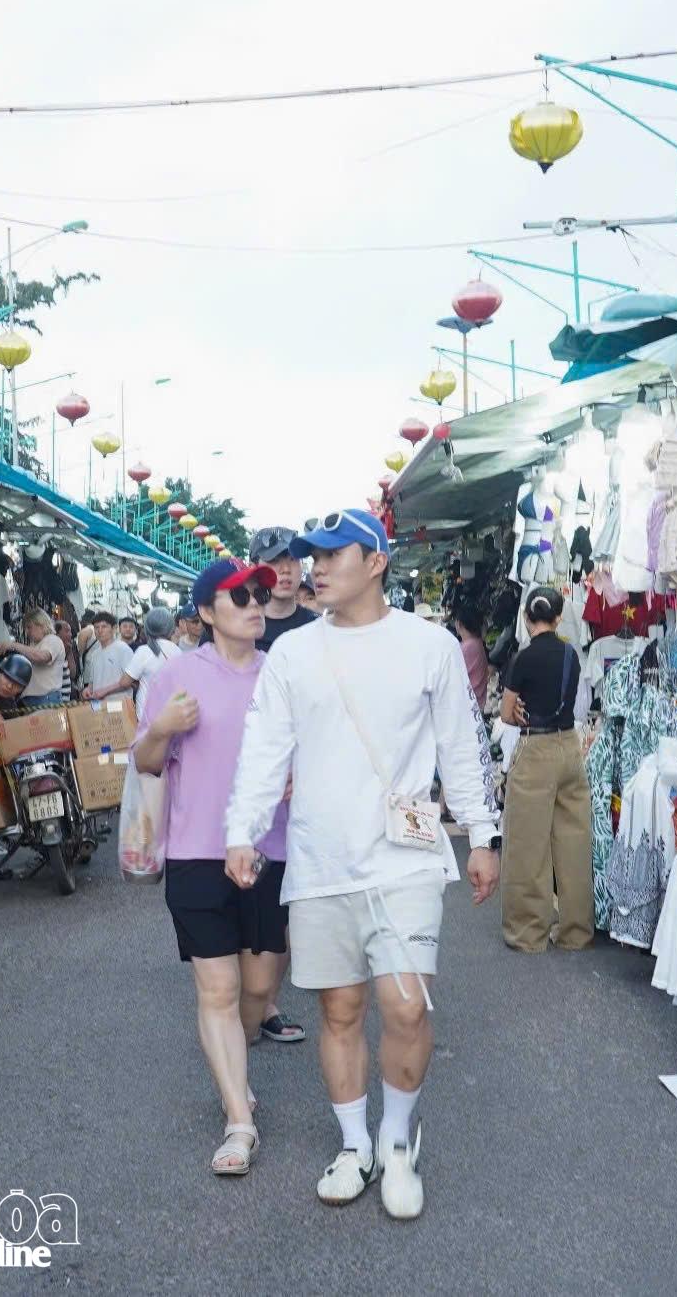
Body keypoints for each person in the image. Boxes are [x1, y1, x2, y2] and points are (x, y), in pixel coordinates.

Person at [225, 509, 500, 1219]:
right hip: (321, 857)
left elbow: (459, 744)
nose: (313, 567)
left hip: (403, 858)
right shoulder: (293, 654)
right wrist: (243, 831)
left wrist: (481, 834)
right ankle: (355, 1144)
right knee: (339, 1008)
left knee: (405, 1004)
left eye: (331, 554)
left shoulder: (428, 645)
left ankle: (398, 1138)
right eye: (309, 556)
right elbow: (265, 748)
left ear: (375, 561)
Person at [135, 558, 287, 1177]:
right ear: (204, 612)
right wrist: (163, 728)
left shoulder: (282, 673)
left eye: (260, 594)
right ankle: (238, 1118)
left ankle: (238, 1066)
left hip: (271, 850)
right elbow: (145, 762)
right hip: (197, 852)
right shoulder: (176, 674)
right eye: (240, 596)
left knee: (257, 990)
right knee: (218, 990)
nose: (256, 604)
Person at [246, 523, 318, 1043]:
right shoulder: (239, 628)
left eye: (294, 561)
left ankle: (265, 999)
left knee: (291, 902)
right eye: (277, 562)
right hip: (255, 787)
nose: (288, 570)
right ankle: (256, 1000)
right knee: (256, 897)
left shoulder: (319, 629)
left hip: (309, 788)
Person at [497, 586, 592, 954]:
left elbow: (507, 714)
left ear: (526, 618)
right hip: (569, 747)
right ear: (558, 617)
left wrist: (518, 709)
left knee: (527, 844)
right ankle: (576, 930)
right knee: (573, 841)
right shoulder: (570, 654)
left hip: (535, 749)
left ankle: (528, 932)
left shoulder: (522, 659)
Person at [97, 606, 180, 709]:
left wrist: (102, 691)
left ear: (147, 627)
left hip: (148, 713)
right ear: (171, 628)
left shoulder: (144, 651)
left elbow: (124, 682)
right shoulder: (178, 651)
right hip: (172, 711)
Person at [250, 526, 316, 652]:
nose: (285, 569)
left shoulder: (319, 628)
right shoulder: (233, 630)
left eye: (293, 559)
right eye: (273, 560)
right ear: (253, 568)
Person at [0, 609, 64, 706]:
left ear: (41, 624)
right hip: (34, 699)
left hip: (45, 699)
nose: (27, 632)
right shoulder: (34, 644)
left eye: (29, 627)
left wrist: (13, 645)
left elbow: (42, 657)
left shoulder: (53, 640)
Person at [82, 611, 135, 701]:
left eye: (104, 626)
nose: (100, 630)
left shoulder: (122, 649)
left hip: (119, 705)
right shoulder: (95, 654)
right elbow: (92, 681)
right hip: (99, 705)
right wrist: (88, 689)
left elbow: (131, 681)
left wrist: (105, 691)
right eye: (96, 627)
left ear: (114, 629)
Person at [453, 606, 490, 714]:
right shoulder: (477, 642)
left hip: (468, 705)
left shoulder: (466, 647)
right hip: (476, 702)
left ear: (459, 623)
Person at [54, 619, 78, 699]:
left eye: (70, 631)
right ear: (57, 633)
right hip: (57, 699)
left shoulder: (68, 648)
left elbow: (73, 674)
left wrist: (69, 652)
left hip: (66, 698)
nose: (71, 635)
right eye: (67, 631)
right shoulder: (52, 650)